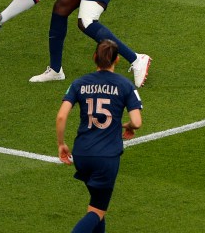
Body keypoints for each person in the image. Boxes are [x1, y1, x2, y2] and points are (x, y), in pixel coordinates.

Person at [57, 39, 143, 233]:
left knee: (96, 206)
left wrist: (61, 143)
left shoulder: (79, 83)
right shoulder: (125, 85)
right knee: (97, 210)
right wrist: (128, 126)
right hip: (106, 158)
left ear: (94, 57)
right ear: (117, 60)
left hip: (82, 155)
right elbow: (136, 122)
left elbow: (62, 115)